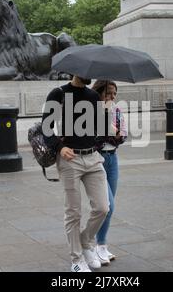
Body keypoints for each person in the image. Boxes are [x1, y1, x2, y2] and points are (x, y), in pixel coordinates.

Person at [42, 75, 109, 272]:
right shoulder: (59, 94)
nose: (89, 76)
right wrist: (59, 147)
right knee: (73, 212)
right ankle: (76, 259)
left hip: (93, 158)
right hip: (70, 160)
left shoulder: (93, 96)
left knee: (103, 208)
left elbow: (101, 127)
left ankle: (86, 241)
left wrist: (106, 111)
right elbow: (46, 128)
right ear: (74, 71)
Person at [92, 80, 127, 265]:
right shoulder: (90, 112)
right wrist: (110, 131)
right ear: (99, 93)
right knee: (108, 206)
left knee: (107, 207)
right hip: (96, 160)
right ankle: (94, 245)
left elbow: (123, 134)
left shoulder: (117, 111)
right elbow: (92, 137)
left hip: (112, 159)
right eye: (108, 93)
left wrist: (116, 135)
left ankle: (101, 246)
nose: (112, 97)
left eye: (114, 94)